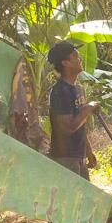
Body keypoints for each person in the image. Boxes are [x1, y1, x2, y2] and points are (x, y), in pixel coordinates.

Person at [47, 41, 99, 180]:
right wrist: (88, 108)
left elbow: (80, 124)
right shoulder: (60, 92)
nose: (80, 59)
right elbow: (68, 128)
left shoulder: (77, 89)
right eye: (75, 57)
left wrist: (88, 151)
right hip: (65, 158)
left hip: (78, 155)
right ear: (66, 63)